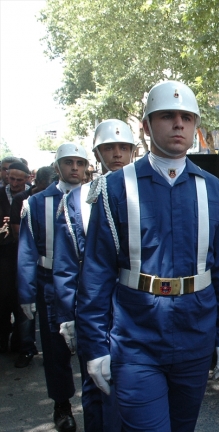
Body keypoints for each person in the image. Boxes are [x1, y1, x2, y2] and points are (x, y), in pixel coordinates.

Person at [76, 80, 219, 431]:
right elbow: (96, 275)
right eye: (167, 115)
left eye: (187, 117)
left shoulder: (213, 189)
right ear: (146, 125)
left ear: (196, 126)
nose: (178, 124)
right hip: (136, 341)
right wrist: (93, 346)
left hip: (196, 337)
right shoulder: (114, 188)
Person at [53, 119, 136, 431]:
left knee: (135, 388)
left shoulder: (147, 191)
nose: (116, 154)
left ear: (133, 150)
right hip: (93, 308)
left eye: (123, 147)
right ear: (98, 152)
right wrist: (67, 315)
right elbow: (66, 263)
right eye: (108, 148)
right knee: (95, 385)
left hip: (134, 308)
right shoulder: (77, 198)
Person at [18, 143, 89, 432]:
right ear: (57, 166)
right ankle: (62, 405)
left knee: (93, 345)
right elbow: (26, 250)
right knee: (56, 347)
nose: (75, 168)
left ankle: (97, 401)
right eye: (68, 162)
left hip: (89, 283)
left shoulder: (95, 198)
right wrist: (26, 292)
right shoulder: (36, 203)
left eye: (80, 162)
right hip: (50, 283)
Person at [11, 166, 55, 368]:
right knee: (27, 312)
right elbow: (21, 235)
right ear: (37, 183)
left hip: (51, 269)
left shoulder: (61, 200)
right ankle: (26, 348)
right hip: (32, 264)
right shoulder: (26, 201)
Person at [0, 162, 31, 354]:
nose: (14, 183)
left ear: (27, 179)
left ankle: (22, 346)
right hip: (4, 255)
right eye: (11, 179)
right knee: (4, 298)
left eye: (19, 180)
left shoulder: (31, 196)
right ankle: (3, 339)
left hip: (25, 255)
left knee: (24, 302)